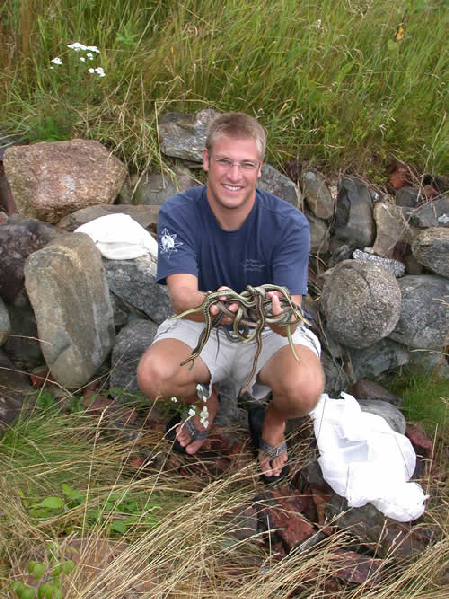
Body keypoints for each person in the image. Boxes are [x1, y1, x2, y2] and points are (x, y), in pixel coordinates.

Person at [137, 112, 324, 482]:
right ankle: (204, 401)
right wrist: (215, 304)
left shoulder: (288, 223)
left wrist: (275, 313)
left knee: (307, 388)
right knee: (153, 377)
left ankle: (272, 421)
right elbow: (182, 297)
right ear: (206, 160)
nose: (234, 175)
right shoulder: (178, 212)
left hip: (266, 330)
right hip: (202, 321)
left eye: (246, 164)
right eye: (224, 161)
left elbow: (292, 311)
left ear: (260, 169)